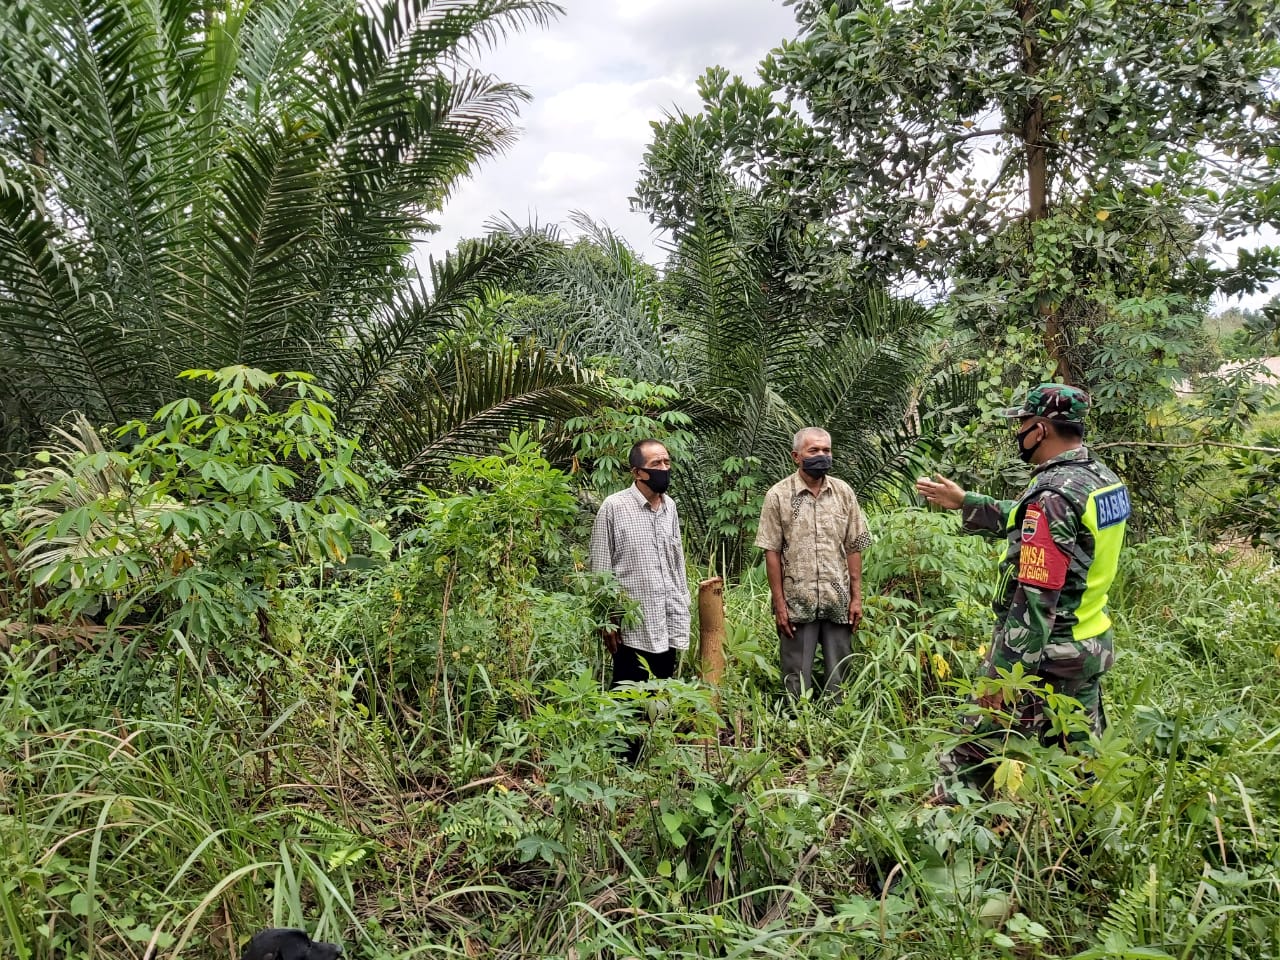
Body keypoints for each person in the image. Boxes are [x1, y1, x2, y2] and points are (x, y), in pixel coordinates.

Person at [916, 383, 1130, 801]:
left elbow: (1035, 601)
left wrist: (1002, 681)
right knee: (1077, 766)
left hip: (1046, 656)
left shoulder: (1053, 496)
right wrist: (965, 502)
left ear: (1042, 429)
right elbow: (1031, 521)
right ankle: (1081, 848)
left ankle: (932, 838)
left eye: (1023, 424)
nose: (1018, 433)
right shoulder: (1100, 481)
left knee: (969, 758)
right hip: (1088, 647)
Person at [589, 439, 690, 761]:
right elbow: (601, 566)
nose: (664, 469)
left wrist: (682, 601)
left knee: (661, 690)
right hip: (632, 622)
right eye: (656, 465)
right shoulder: (614, 507)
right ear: (637, 472)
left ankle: (652, 756)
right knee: (628, 691)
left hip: (668, 614)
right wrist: (607, 619)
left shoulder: (670, 507)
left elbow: (676, 561)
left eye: (666, 462)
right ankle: (622, 762)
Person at [755, 427, 872, 702]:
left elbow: (854, 545)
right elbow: (771, 551)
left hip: (838, 600)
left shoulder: (843, 493)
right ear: (796, 456)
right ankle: (795, 729)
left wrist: (857, 598)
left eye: (826, 450)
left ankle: (837, 729)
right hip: (797, 602)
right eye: (814, 451)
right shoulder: (779, 496)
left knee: (839, 676)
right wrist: (780, 604)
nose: (822, 456)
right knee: (795, 679)